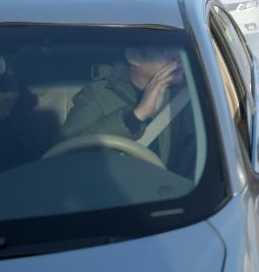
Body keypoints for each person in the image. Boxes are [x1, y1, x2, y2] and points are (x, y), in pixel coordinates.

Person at [57, 46, 196, 176]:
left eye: (177, 49)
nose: (177, 57)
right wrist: (136, 115)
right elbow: (63, 157)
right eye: (164, 49)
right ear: (133, 56)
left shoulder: (192, 98)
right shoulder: (98, 94)